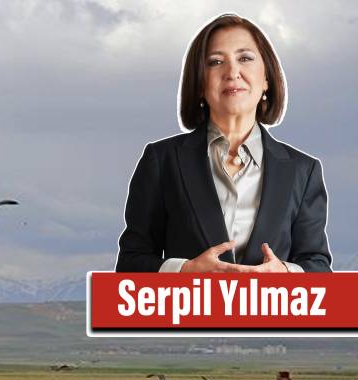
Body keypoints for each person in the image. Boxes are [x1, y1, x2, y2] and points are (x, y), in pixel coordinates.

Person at [115, 13, 331, 273]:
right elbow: (130, 263)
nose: (232, 72)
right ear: (200, 84)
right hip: (186, 313)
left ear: (267, 79)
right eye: (216, 62)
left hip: (273, 314)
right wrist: (185, 271)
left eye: (245, 58)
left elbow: (318, 267)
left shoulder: (303, 171)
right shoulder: (162, 161)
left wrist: (285, 273)